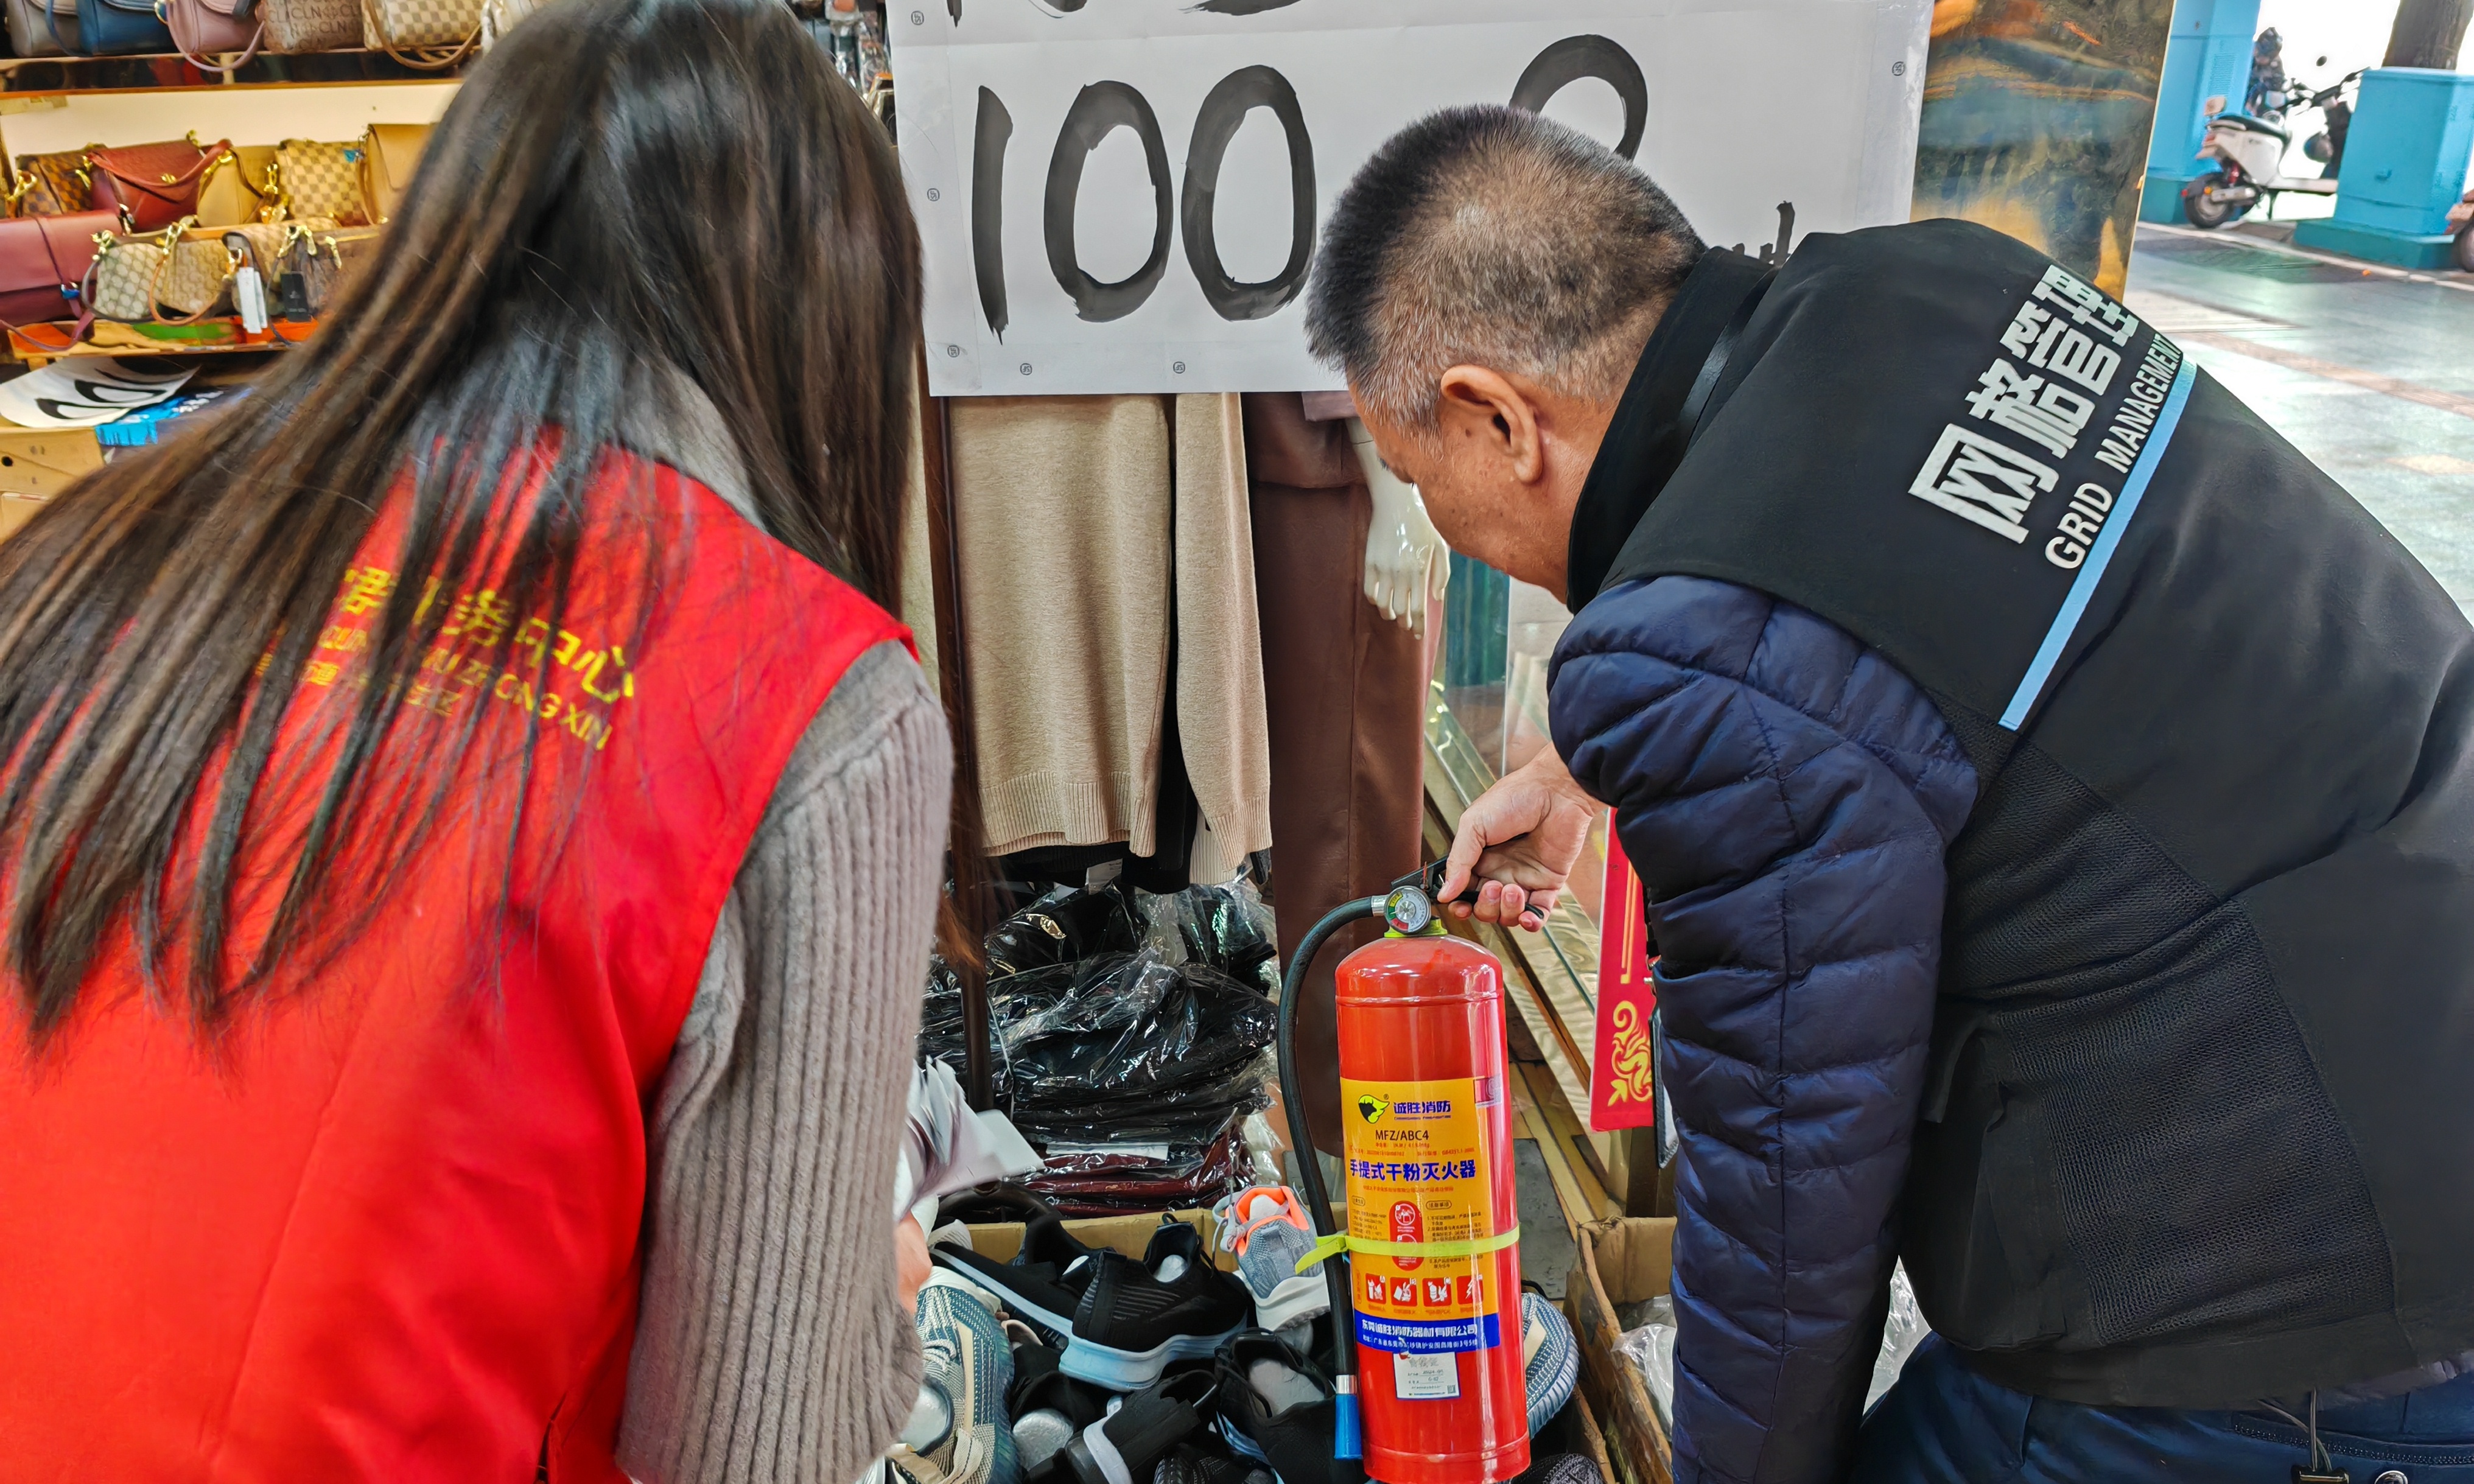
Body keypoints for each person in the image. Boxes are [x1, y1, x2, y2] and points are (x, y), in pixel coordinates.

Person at [1306, 105, 2474, 1484]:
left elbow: (1787, 1195)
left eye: (1416, 476)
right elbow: (1929, 624)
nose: (1438, 524)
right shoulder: (1933, 283)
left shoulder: (1710, 655)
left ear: (1499, 419)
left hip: (2284, 1301)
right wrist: (1606, 761)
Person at [0, 1, 950, 1479]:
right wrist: (873, 1310)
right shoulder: (801, 692)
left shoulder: (99, 550)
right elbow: (753, 1453)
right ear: (826, 316)